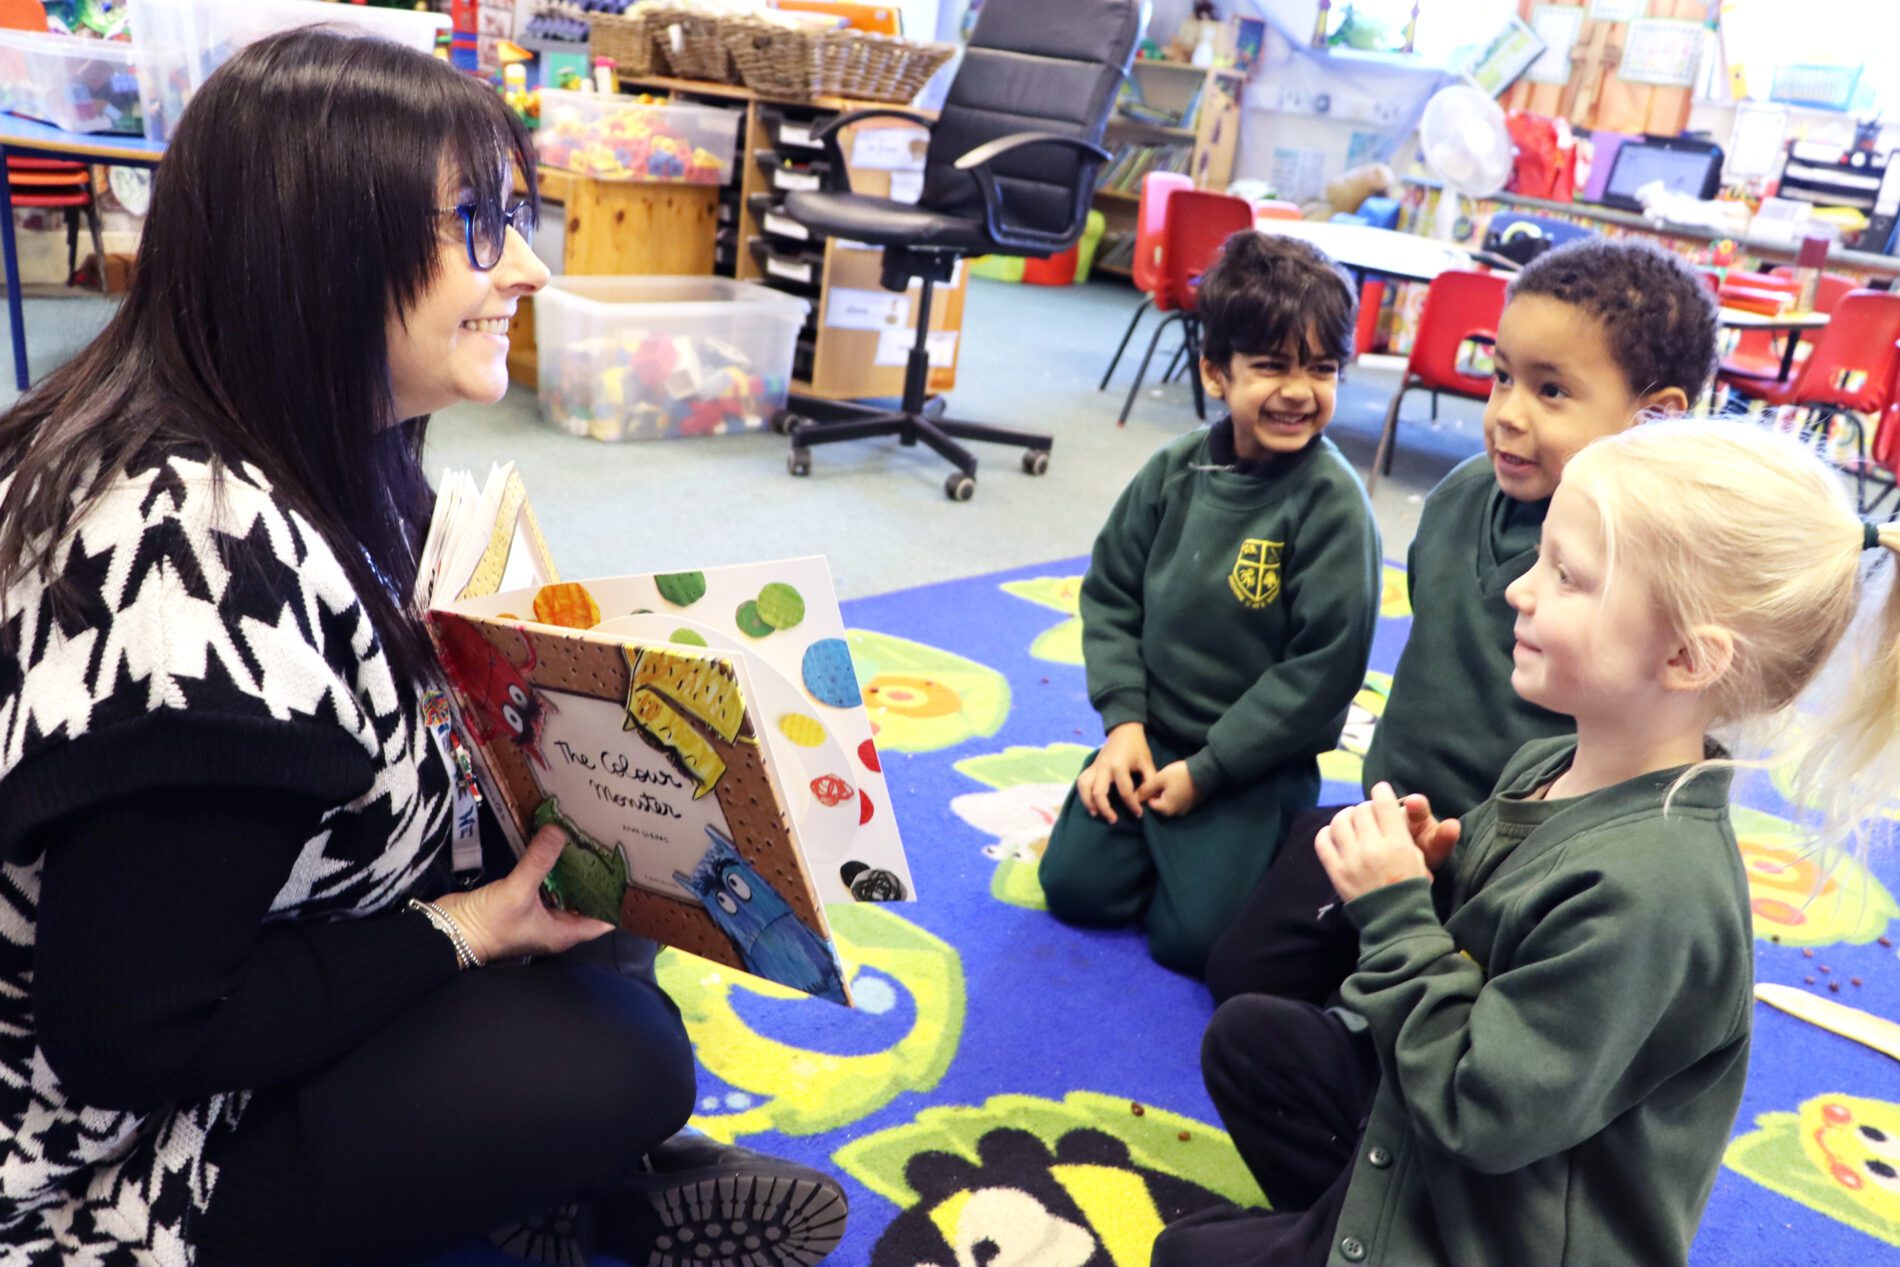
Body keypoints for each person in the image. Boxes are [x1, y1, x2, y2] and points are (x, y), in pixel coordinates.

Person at [0, 32, 842, 1267]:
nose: (534, 272)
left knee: (611, 855)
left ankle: (568, 1172)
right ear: (322, 248)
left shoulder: (279, 421)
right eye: (484, 227)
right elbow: (129, 1036)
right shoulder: (202, 580)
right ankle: (566, 1193)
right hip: (101, 1160)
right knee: (626, 1053)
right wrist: (462, 931)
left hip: (267, 920)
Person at [1153, 417, 1900, 1266]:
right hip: (1456, 1155)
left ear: (1690, 657)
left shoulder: (1656, 891)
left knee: (1181, 1254)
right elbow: (1499, 950)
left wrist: (1395, 913)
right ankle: (1354, 1210)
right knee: (1253, 1041)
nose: (1521, 589)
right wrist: (1439, 871)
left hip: (1510, 1224)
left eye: (1568, 577)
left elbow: (1482, 1108)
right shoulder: (1552, 761)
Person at [1203, 237, 1720, 1005]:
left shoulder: (1655, 573)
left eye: (1550, 392)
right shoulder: (1457, 498)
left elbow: (1653, 772)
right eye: (1502, 376)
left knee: (1413, 1046)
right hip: (1394, 823)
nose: (1505, 414)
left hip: (1521, 873)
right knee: (1242, 976)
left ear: (1654, 417)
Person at [1037, 232, 1382, 977]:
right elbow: (1112, 593)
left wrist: (1210, 770)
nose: (1298, 391)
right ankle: (1156, 827)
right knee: (1071, 888)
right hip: (1150, 737)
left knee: (1193, 943)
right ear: (1216, 373)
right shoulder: (1172, 471)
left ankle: (1260, 843)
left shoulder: (1333, 506)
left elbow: (1323, 668)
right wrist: (1123, 725)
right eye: (1271, 367)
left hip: (1250, 763)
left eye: (1322, 369)